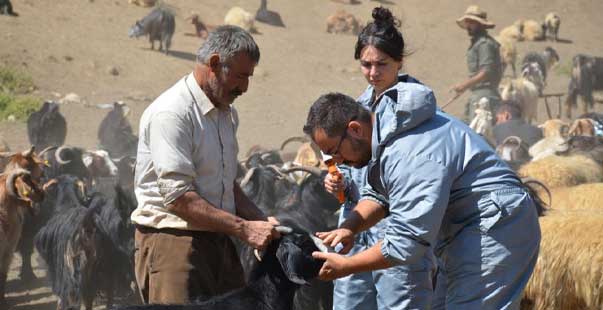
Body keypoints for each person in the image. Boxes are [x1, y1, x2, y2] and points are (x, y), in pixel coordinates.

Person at [305, 89, 541, 308]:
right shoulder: (388, 134)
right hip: (467, 228)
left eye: (335, 151)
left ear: (355, 129)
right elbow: (381, 194)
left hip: (495, 225)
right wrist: (350, 227)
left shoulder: (408, 151)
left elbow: (406, 241)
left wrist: (347, 266)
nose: (337, 162)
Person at [131, 25, 279, 304]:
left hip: (220, 241)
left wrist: (259, 219)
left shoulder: (226, 113)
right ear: (214, 64)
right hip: (175, 243)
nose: (245, 87)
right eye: (240, 76)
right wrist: (244, 229)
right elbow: (177, 198)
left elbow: (225, 183)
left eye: (249, 77)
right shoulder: (172, 113)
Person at [323, 7, 436, 310]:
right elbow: (357, 173)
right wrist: (339, 184)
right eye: (366, 64)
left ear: (399, 61)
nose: (373, 73)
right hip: (354, 228)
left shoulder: (414, 110)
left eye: (381, 64)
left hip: (395, 232)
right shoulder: (355, 110)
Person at [450, 5, 503, 123]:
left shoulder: (485, 44)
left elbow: (485, 72)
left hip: (485, 96)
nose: (468, 26)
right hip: (477, 95)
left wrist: (464, 85)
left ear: (480, 24)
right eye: (467, 22)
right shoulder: (477, 43)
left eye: (472, 22)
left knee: (477, 135)